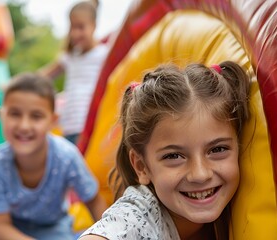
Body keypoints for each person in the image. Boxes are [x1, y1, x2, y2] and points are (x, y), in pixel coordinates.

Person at [79, 61, 251, 239]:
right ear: (142, 167)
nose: (200, 174)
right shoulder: (140, 216)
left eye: (217, 149)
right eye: (174, 156)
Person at [0, 73, 107, 240]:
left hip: (51, 227)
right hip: (7, 227)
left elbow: (93, 201)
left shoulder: (66, 157)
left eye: (36, 116)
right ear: (2, 116)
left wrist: (107, 235)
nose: (24, 126)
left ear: (52, 121)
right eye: (15, 114)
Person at [37, 0, 109, 144]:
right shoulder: (70, 57)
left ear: (93, 26)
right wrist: (18, 83)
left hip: (89, 124)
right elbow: (45, 74)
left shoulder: (103, 54)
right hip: (69, 125)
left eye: (81, 27)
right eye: (72, 27)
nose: (75, 33)